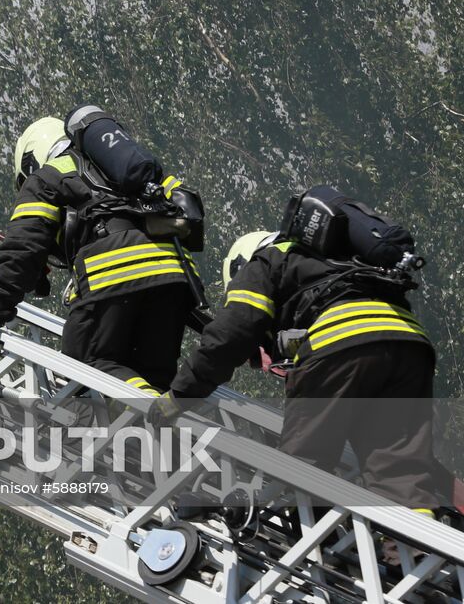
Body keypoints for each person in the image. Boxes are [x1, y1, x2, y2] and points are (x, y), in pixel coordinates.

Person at [159, 213, 445, 513]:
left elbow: (232, 333)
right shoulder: (340, 264)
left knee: (301, 466)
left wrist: (180, 395)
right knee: (400, 476)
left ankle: (304, 533)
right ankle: (411, 539)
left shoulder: (264, 261)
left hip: (341, 342)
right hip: (411, 347)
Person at [0, 112, 203, 394]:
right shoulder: (121, 173)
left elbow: (22, 248)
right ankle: (154, 415)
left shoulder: (47, 177)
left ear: (31, 162)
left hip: (116, 271)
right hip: (175, 278)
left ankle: (145, 407)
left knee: (86, 363)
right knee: (152, 377)